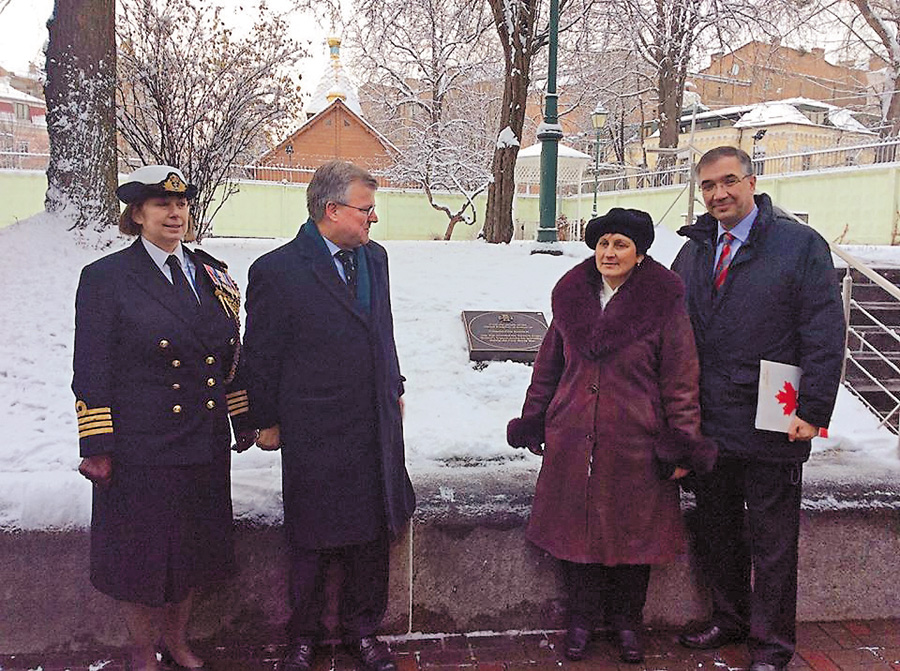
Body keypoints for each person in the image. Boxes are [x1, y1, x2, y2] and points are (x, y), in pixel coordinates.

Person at [507, 208, 716, 664]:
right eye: (603, 244)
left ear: (640, 254)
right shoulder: (571, 298)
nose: (609, 253)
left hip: (636, 443)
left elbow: (681, 380)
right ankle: (580, 623)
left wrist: (682, 440)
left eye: (620, 245)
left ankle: (627, 625)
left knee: (634, 539)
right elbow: (549, 368)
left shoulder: (663, 306)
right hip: (572, 438)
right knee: (574, 536)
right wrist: (536, 417)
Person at [73, 165, 257, 671]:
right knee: (141, 555)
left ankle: (177, 641)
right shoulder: (106, 278)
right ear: (137, 215)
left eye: (181, 205)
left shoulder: (209, 271)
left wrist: (242, 420)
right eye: (162, 205)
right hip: (141, 443)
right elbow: (90, 368)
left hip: (202, 436)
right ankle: (141, 650)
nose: (175, 214)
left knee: (194, 550)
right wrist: (98, 445)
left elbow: (231, 354)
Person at [671, 146, 845, 671]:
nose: (718, 194)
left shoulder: (799, 246)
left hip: (775, 418)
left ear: (751, 182)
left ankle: (771, 645)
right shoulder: (695, 249)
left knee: (772, 542)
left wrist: (812, 410)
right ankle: (729, 618)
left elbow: (823, 331)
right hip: (710, 421)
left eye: (728, 182)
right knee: (716, 529)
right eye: (707, 186)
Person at [242, 160, 415, 671]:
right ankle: (305, 636)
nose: (374, 218)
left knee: (372, 530)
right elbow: (261, 354)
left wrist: (393, 385)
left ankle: (365, 631)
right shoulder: (277, 270)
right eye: (366, 209)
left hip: (373, 423)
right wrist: (266, 421)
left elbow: (381, 329)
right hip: (314, 427)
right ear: (332, 209)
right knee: (313, 535)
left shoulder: (374, 259)